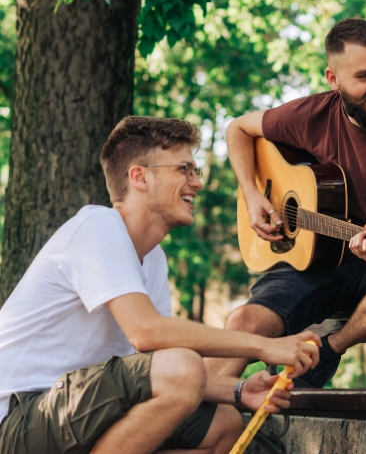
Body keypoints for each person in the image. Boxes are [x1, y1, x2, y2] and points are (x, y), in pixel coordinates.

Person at [0, 116, 321, 454]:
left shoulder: (153, 259)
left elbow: (158, 369)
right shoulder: (97, 227)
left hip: (77, 414)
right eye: (184, 169)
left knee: (223, 424)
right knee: (180, 366)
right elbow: (148, 335)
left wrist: (239, 390)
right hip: (17, 419)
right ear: (139, 176)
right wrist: (263, 347)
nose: (196, 182)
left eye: (195, 171)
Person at [210, 18, 366, 388]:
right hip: (317, 260)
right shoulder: (311, 116)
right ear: (333, 80)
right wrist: (253, 196)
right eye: (364, 76)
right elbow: (237, 128)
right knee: (243, 323)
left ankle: (327, 351)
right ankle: (202, 409)